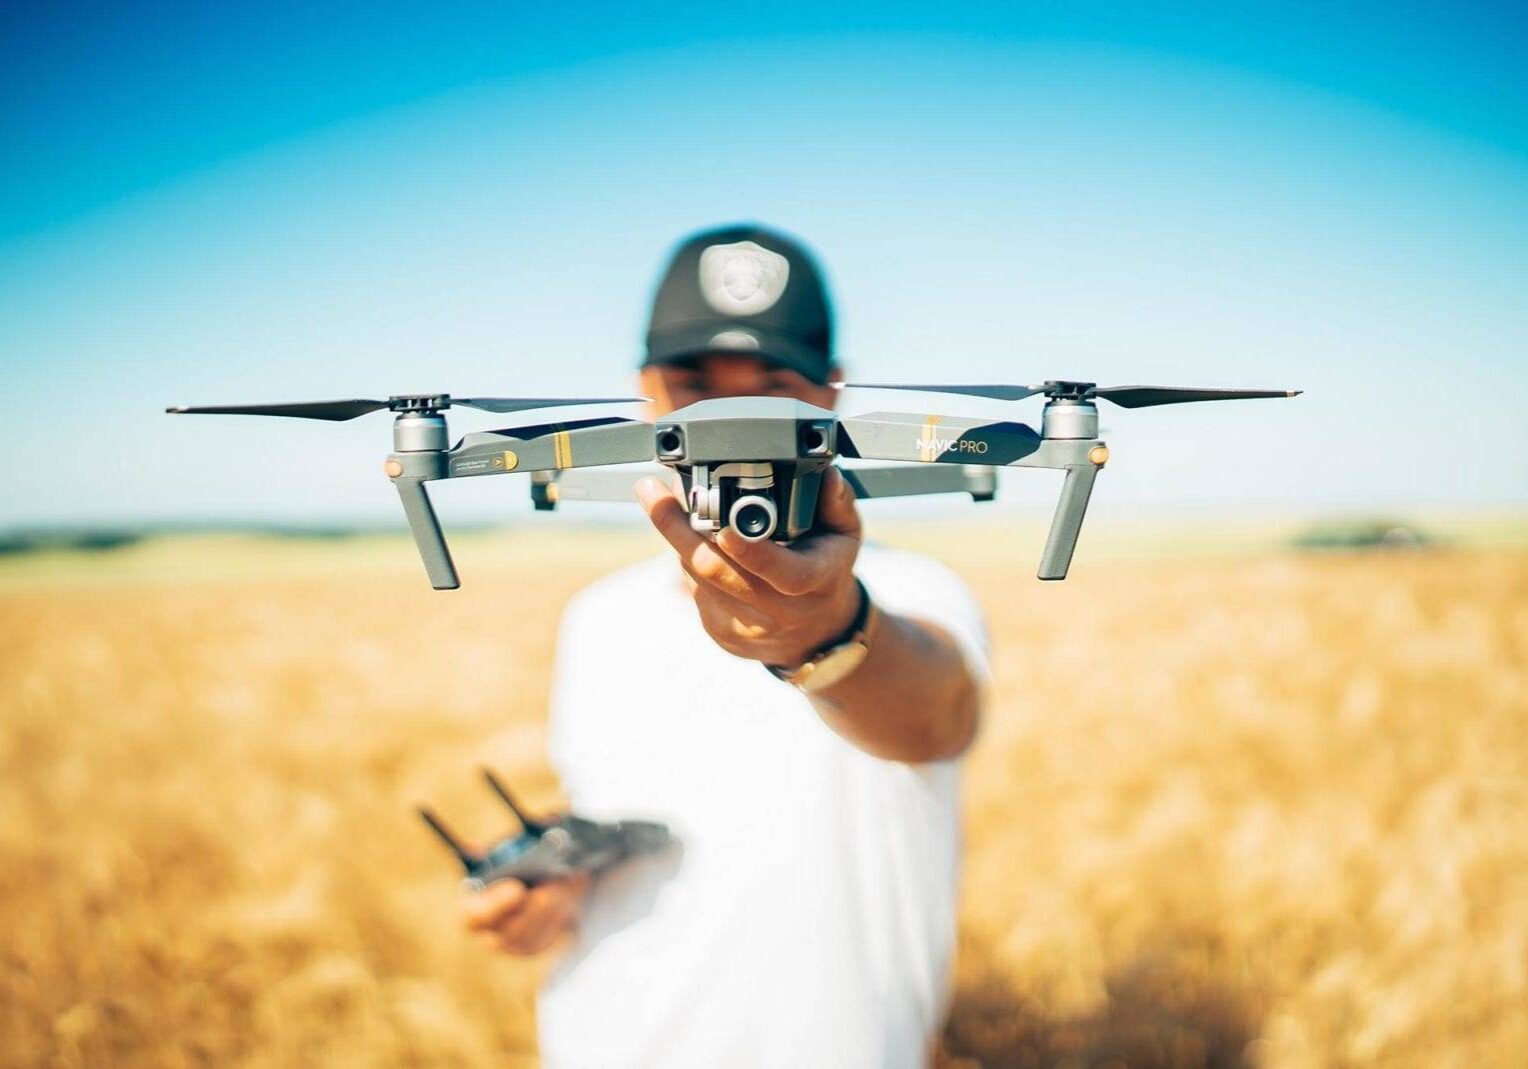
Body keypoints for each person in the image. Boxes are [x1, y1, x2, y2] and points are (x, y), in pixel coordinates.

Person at [463, 224, 989, 1067]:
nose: (733, 423)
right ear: (646, 391)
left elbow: (931, 716)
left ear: (830, 394)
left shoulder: (920, 595)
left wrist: (829, 630)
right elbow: (631, 801)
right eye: (696, 388)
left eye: (771, 389)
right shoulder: (597, 618)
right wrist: (550, 886)